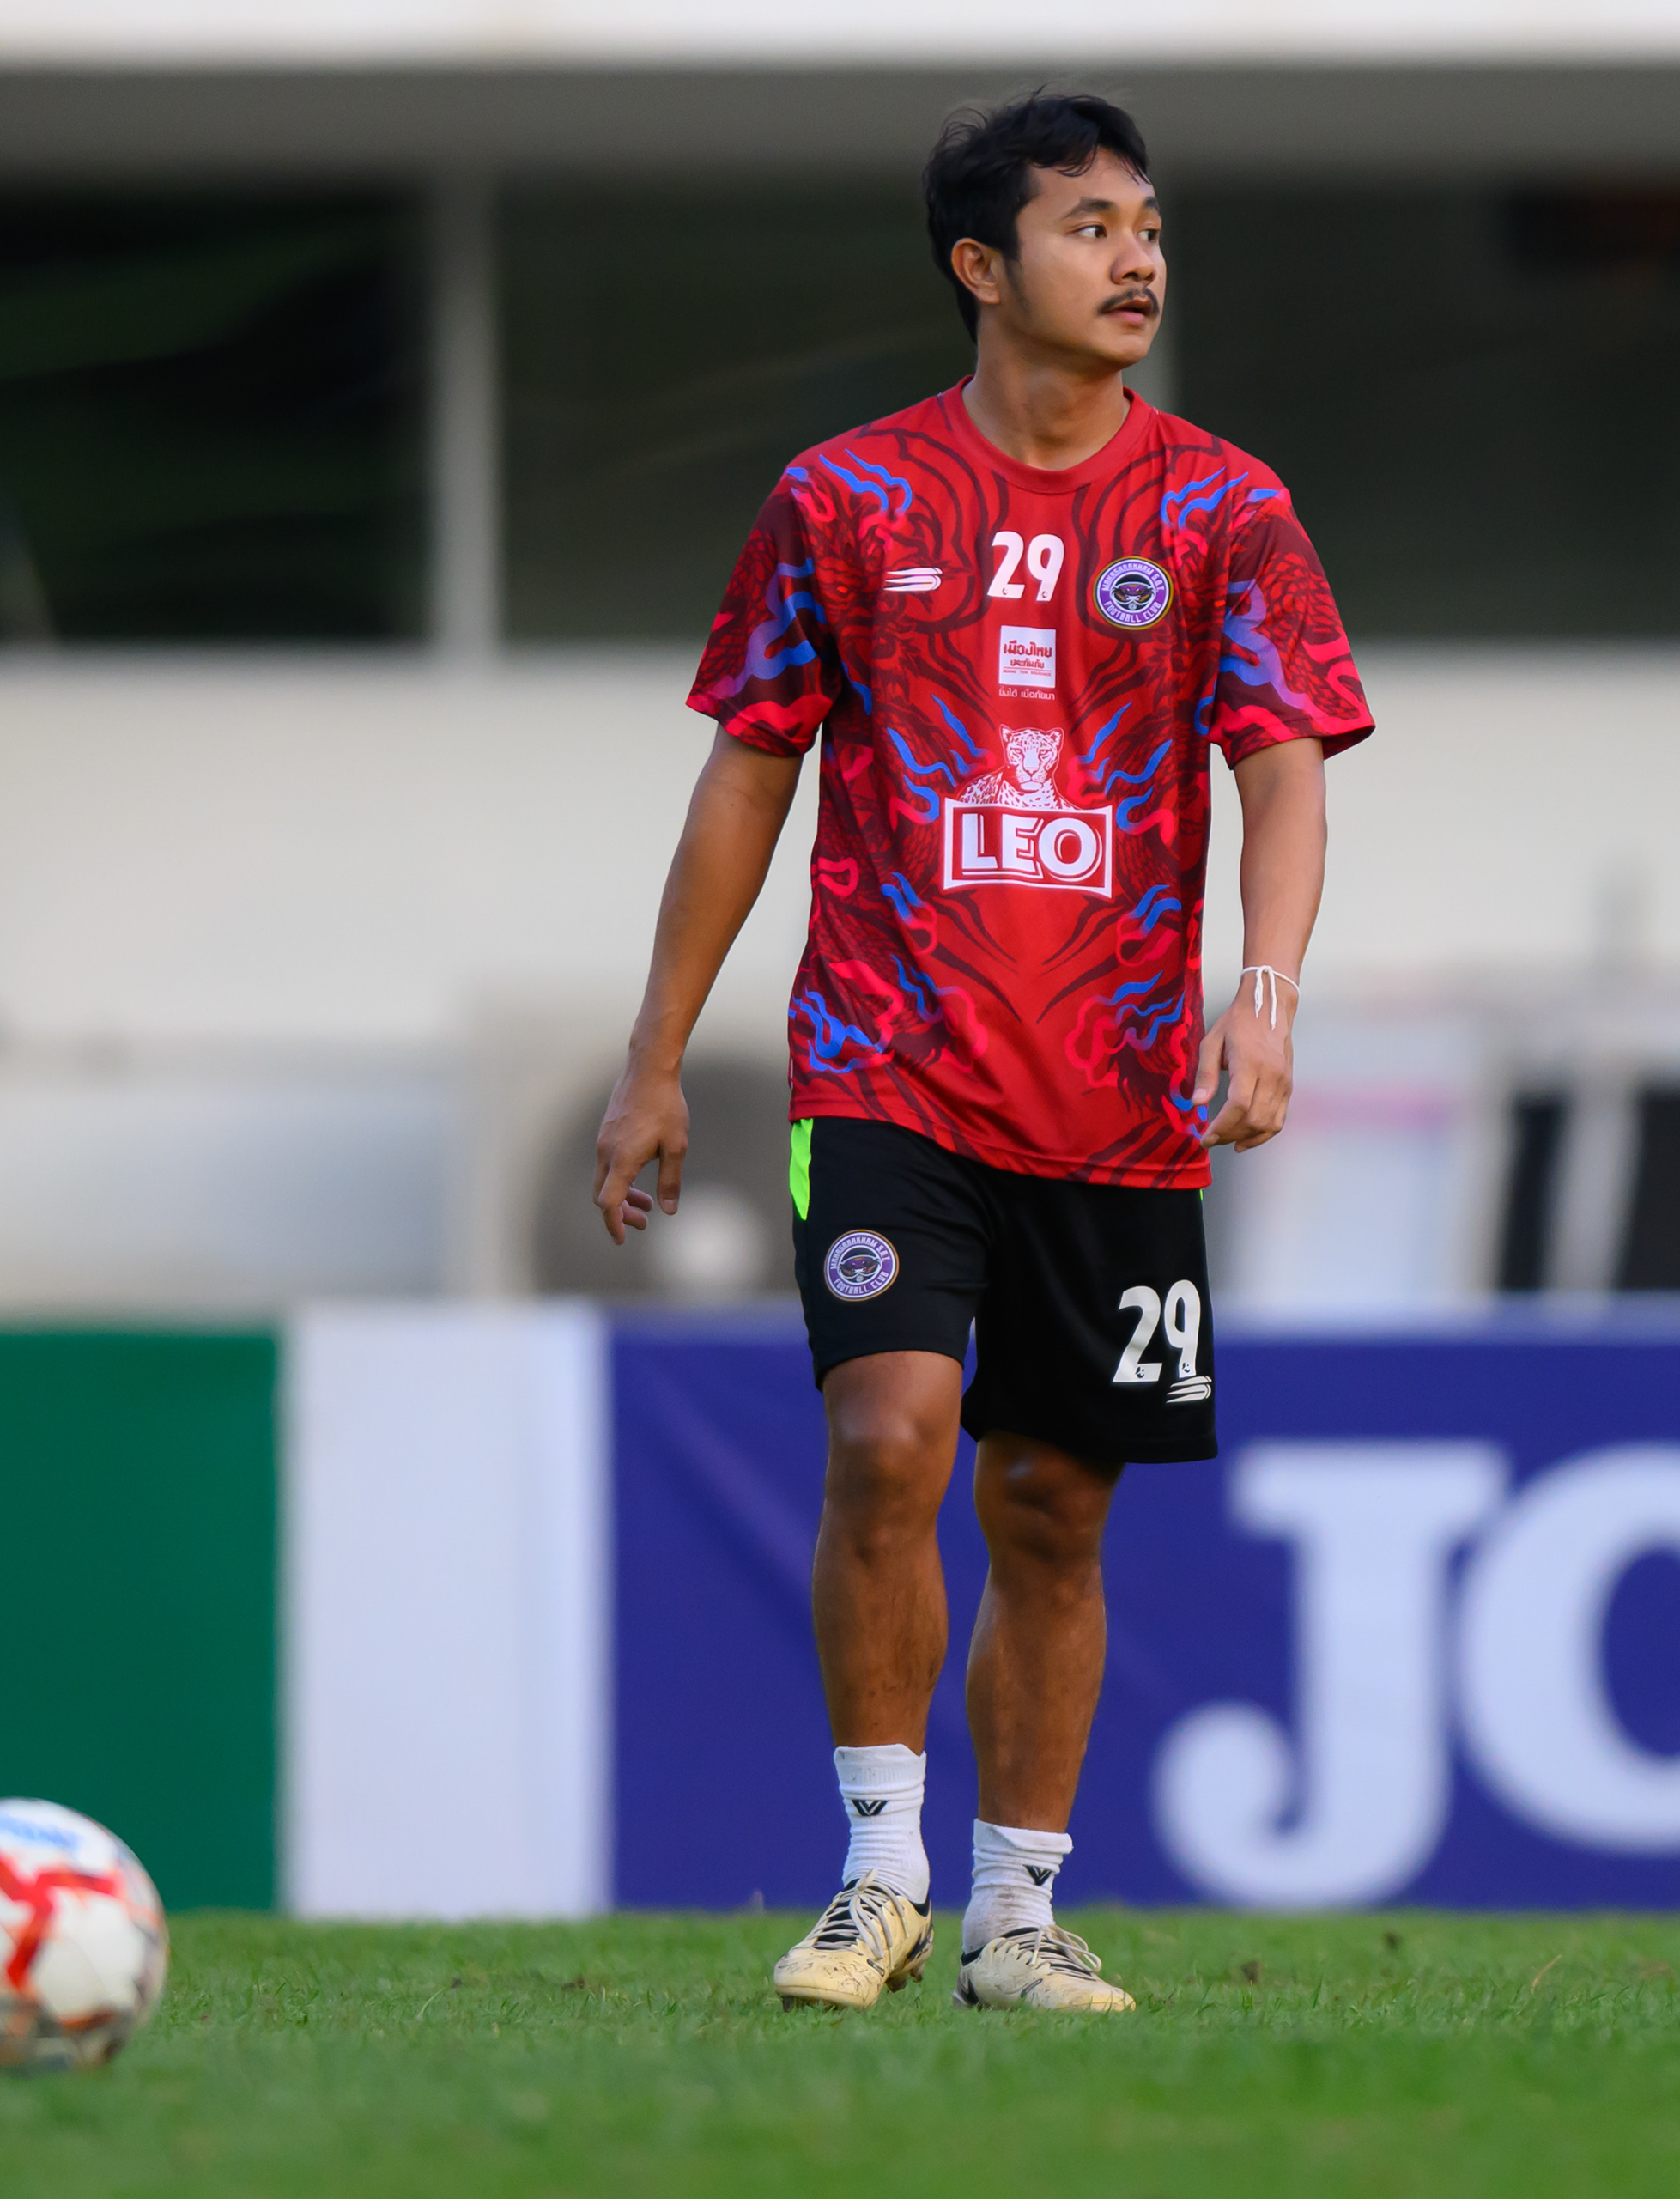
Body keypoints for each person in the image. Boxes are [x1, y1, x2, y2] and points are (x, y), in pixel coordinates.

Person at [591, 90, 1368, 2014]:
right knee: (887, 1440)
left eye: (1149, 225)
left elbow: (1283, 772)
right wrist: (655, 1055)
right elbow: (745, 778)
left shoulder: (1227, 508)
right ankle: (880, 1880)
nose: (1137, 258)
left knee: (1051, 1504)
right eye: (1090, 226)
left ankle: (1020, 1917)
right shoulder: (843, 501)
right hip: (888, 1066)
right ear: (981, 266)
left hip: (1118, 1098)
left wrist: (1265, 994)